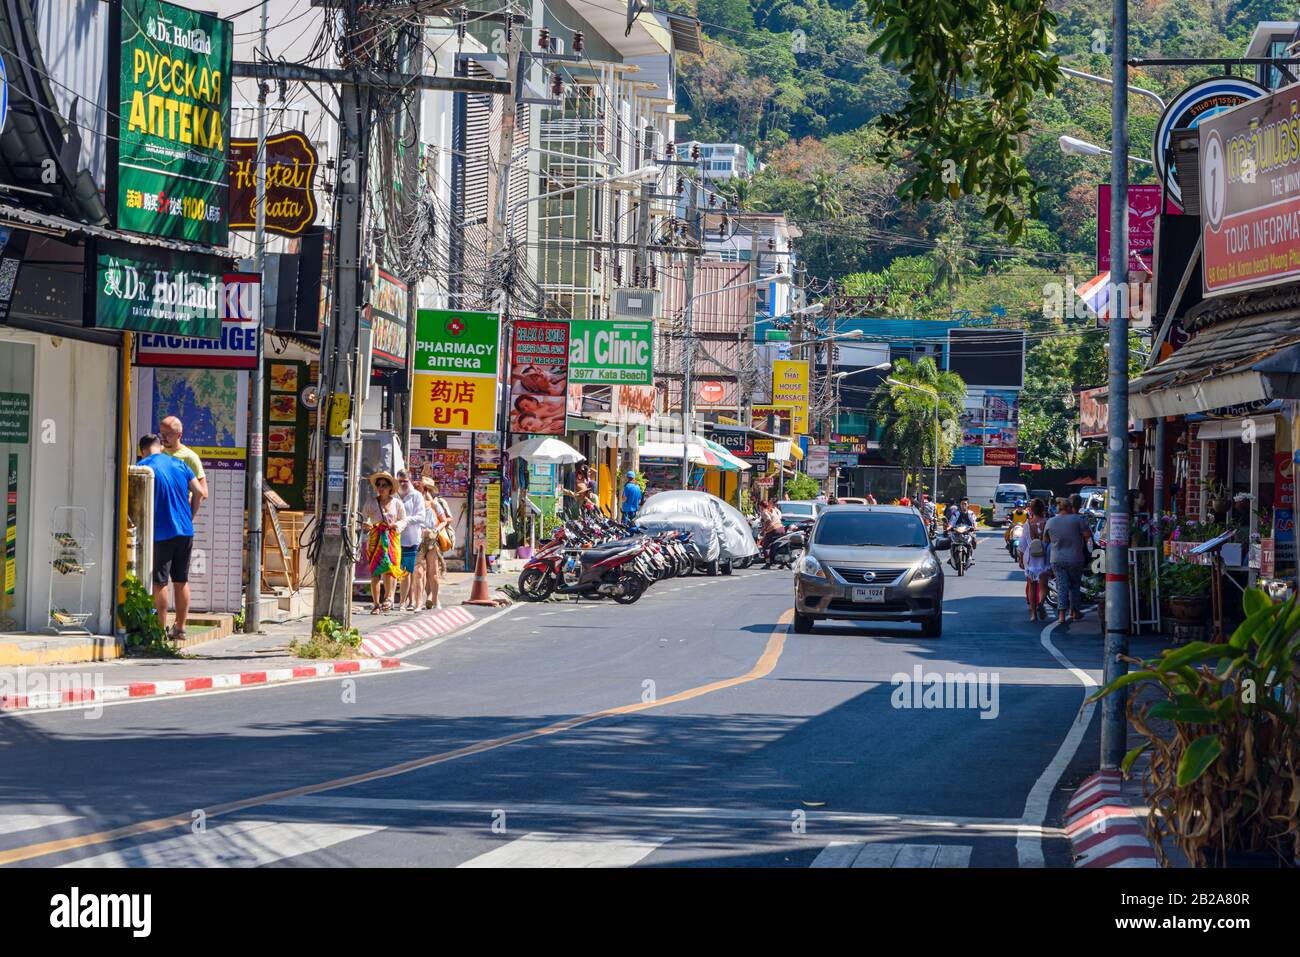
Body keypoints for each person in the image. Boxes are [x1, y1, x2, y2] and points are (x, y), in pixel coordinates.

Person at [138, 433, 204, 641]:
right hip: (185, 531)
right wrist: (189, 517)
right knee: (181, 580)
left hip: (161, 531)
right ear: (160, 446)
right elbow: (200, 492)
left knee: (160, 583)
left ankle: (159, 630)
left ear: (142, 451)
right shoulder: (179, 463)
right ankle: (181, 628)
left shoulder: (144, 467)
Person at [361, 471, 408, 614]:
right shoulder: (370, 503)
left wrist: (396, 525)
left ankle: (389, 598)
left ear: (390, 488)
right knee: (375, 573)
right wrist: (367, 525)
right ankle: (376, 604)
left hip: (392, 539)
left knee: (390, 569)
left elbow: (404, 520)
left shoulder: (397, 503)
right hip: (375, 541)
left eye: (384, 485)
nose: (381, 487)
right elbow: (363, 519)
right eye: (379, 485)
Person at [1045, 497, 1094, 625]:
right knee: (1074, 586)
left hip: (1056, 559)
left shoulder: (1050, 521)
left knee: (1062, 586)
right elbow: (1088, 535)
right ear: (1069, 508)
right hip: (1075, 558)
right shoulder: (1078, 519)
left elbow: (1045, 540)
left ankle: (1061, 615)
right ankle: (1074, 612)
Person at [159, 415, 208, 519]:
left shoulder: (190, 457)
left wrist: (189, 517)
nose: (163, 438)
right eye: (161, 434)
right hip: (159, 517)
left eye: (168, 434)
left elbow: (203, 492)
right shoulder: (157, 453)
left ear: (179, 435)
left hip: (179, 518)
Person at [418, 476, 452, 610]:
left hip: (433, 540)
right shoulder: (416, 503)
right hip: (419, 540)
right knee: (422, 571)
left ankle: (435, 598)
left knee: (433, 572)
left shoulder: (435, 504)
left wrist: (435, 530)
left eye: (422, 488)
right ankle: (428, 597)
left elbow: (445, 520)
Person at [395, 470, 426, 611]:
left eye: (405, 481)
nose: (402, 483)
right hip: (397, 540)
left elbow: (421, 517)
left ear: (410, 480)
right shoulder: (394, 495)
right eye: (400, 481)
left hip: (413, 540)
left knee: (416, 573)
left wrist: (405, 521)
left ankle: (416, 602)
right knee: (403, 573)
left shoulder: (416, 496)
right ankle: (403, 602)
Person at [1020, 498, 1052, 622]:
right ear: (1043, 509)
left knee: (1032, 585)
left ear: (1031, 510)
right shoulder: (1048, 522)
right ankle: (1041, 603)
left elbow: (1022, 544)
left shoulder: (1027, 524)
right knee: (1044, 585)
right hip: (1045, 556)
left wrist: (1020, 559)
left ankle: (1033, 614)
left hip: (1031, 556)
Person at [758, 499, 783, 568]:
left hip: (774, 529)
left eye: (759, 507)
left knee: (765, 546)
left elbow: (768, 520)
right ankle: (780, 562)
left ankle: (768, 563)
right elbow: (779, 516)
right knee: (775, 545)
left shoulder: (764, 512)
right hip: (781, 528)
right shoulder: (773, 509)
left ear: (761, 506)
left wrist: (764, 529)